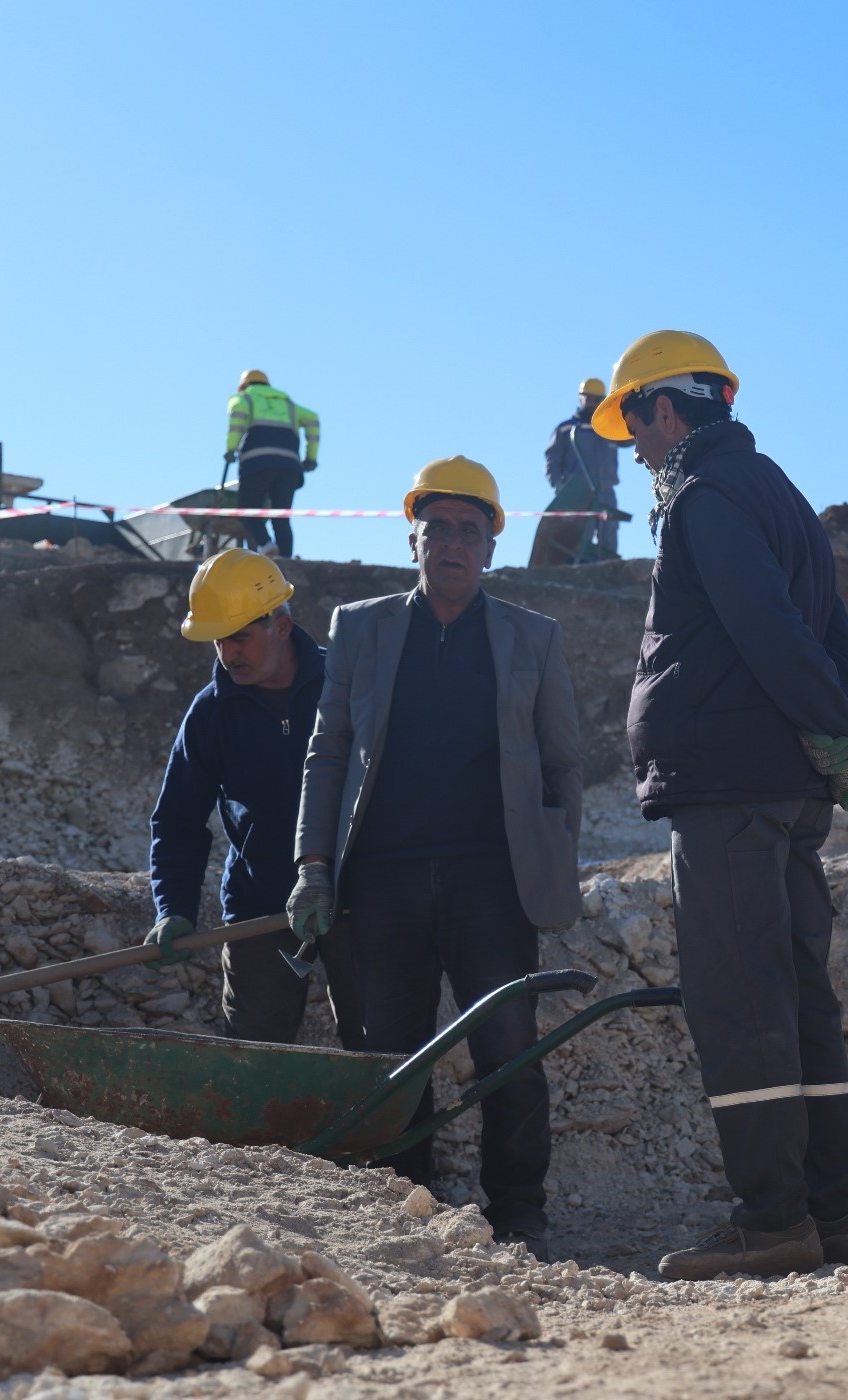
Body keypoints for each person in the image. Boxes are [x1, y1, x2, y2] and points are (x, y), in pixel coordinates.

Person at [588, 329, 848, 1280]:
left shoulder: (705, 499)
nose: (631, 447)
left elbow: (769, 630)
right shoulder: (782, 495)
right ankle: (838, 1215)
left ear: (669, 409)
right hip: (787, 786)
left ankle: (772, 1221)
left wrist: (821, 721)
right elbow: (831, 635)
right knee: (799, 999)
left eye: (634, 421)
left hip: (733, 788)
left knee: (742, 1000)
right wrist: (833, 733)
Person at [288, 455, 581, 1258]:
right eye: (437, 528)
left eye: (468, 529)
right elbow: (328, 752)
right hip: (382, 882)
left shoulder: (533, 638)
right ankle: (404, 1206)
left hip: (493, 881)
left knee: (511, 1053)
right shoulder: (363, 628)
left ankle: (519, 1212)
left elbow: (563, 764)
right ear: (412, 538)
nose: (451, 543)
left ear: (491, 546)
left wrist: (549, 870)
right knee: (392, 1059)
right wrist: (313, 864)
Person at [146, 549, 326, 1042]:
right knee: (255, 1051)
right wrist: (174, 909)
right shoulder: (211, 714)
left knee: (382, 1042)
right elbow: (178, 821)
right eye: (219, 641)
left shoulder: (344, 689)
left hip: (355, 901)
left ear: (282, 626)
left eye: (240, 636)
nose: (228, 653)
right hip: (260, 908)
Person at [529, 377, 627, 566]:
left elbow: (631, 435)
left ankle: (608, 571)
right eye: (588, 398)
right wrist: (558, 483)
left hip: (606, 492)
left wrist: (621, 413)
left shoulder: (608, 429)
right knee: (578, 537)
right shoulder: (566, 429)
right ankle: (576, 570)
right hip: (578, 494)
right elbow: (552, 458)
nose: (591, 403)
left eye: (596, 400)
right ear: (580, 398)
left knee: (609, 536)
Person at [223, 370, 320, 560]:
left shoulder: (244, 400)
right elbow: (313, 419)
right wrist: (311, 458)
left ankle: (267, 546)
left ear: (244, 386)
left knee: (248, 511)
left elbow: (237, 419)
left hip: (257, 464)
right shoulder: (290, 406)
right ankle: (285, 562)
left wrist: (230, 449)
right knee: (281, 517)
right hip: (289, 467)